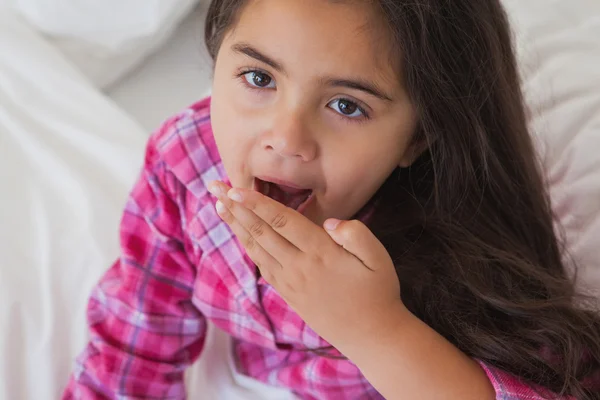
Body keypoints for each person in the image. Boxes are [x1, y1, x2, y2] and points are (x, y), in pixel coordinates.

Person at [63, 0, 600, 399]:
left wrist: (375, 328)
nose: (287, 138)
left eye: (346, 106)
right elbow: (133, 344)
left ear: (417, 138)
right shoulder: (185, 166)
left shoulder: (456, 252)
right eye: (258, 77)